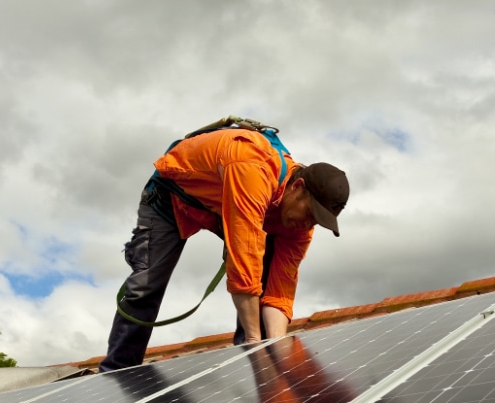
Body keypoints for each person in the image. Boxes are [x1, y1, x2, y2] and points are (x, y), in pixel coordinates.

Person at [98, 123, 349, 372]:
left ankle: (256, 371)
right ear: (297, 187)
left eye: (317, 220)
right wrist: (255, 341)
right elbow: (244, 258)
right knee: (146, 287)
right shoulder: (252, 169)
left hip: (222, 207)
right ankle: (117, 372)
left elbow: (280, 290)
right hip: (171, 199)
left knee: (266, 282)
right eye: (310, 213)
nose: (308, 224)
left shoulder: (300, 224)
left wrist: (278, 348)